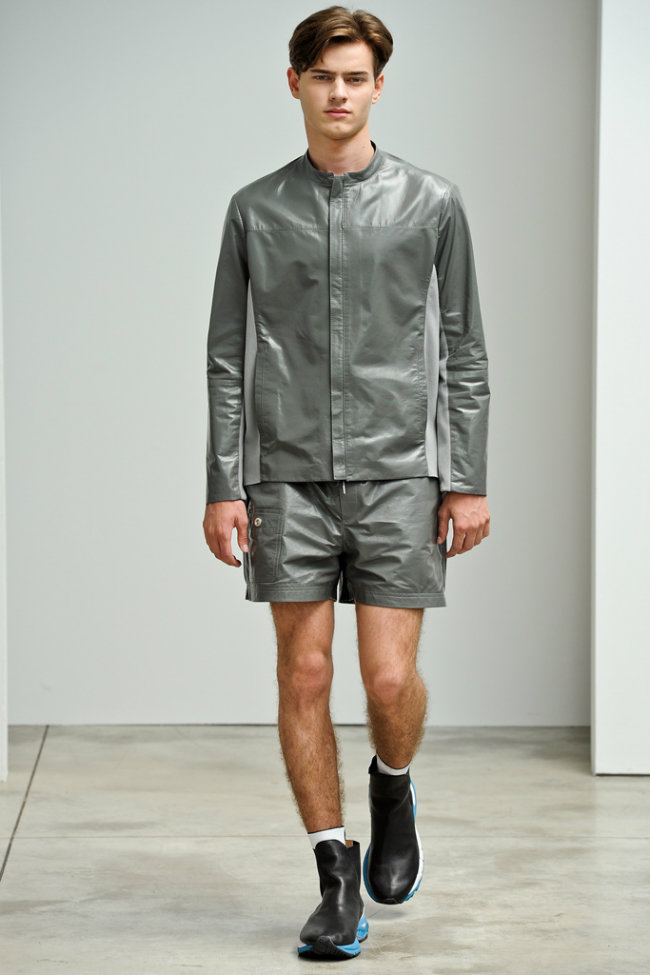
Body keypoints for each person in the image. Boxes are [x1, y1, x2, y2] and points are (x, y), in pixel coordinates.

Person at [202, 4, 490, 961]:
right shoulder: (255, 209)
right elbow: (228, 357)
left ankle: (393, 780)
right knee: (306, 671)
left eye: (355, 77)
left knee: (389, 677)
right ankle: (334, 875)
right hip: (285, 479)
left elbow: (464, 350)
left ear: (378, 86)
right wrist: (225, 483)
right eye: (323, 76)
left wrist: (465, 477)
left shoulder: (432, 202)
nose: (339, 93)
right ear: (295, 84)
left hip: (400, 474)